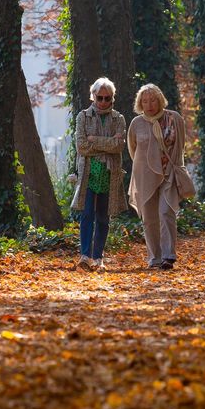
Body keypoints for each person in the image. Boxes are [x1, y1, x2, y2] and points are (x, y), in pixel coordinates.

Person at [128, 83, 190, 270]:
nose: (149, 104)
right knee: (149, 218)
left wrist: (173, 166)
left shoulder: (174, 118)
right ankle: (154, 257)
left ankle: (168, 256)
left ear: (160, 99)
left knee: (165, 211)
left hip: (168, 173)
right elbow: (133, 149)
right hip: (144, 175)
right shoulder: (136, 123)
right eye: (145, 101)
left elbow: (180, 146)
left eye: (153, 99)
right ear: (140, 103)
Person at [72, 77, 127, 270]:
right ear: (93, 96)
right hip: (88, 173)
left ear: (112, 98)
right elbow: (81, 146)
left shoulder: (118, 118)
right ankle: (85, 255)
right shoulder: (82, 116)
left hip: (109, 174)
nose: (103, 102)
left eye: (107, 98)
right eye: (100, 97)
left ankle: (98, 257)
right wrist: (108, 142)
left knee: (103, 217)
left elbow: (119, 146)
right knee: (87, 214)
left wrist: (94, 139)